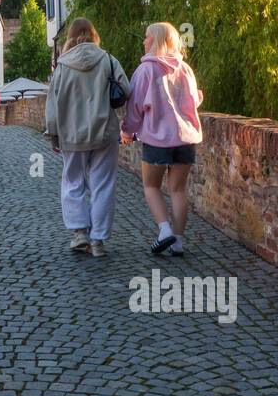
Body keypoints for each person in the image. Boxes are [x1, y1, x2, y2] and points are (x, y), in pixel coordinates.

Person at [44, 17, 131, 258]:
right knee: (103, 185)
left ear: (69, 36)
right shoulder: (108, 60)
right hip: (104, 131)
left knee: (73, 182)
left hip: (72, 134)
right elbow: (126, 89)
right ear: (94, 34)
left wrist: (52, 133)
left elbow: (52, 103)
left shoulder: (62, 65)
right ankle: (98, 240)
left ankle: (79, 233)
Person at [121, 21, 203, 257]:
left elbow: (136, 106)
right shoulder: (185, 69)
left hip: (157, 138)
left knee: (151, 186)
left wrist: (127, 131)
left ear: (156, 41)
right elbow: (193, 102)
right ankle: (178, 241)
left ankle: (164, 230)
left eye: (147, 37)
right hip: (186, 137)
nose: (144, 41)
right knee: (178, 190)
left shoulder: (146, 70)